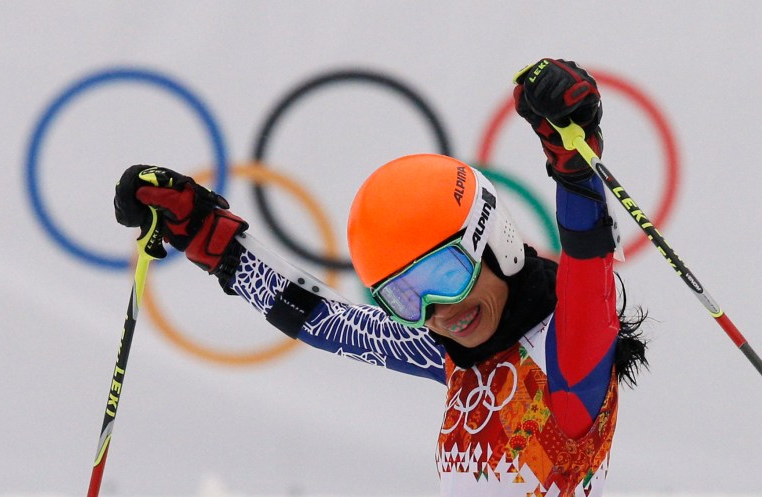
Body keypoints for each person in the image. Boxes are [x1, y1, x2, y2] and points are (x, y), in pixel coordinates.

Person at [114, 58, 648, 497]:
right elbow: (324, 321)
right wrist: (210, 237)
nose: (440, 311)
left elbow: (587, 265)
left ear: (494, 241)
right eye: (407, 297)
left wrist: (575, 167)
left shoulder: (566, 358)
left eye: (447, 274)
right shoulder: (460, 355)